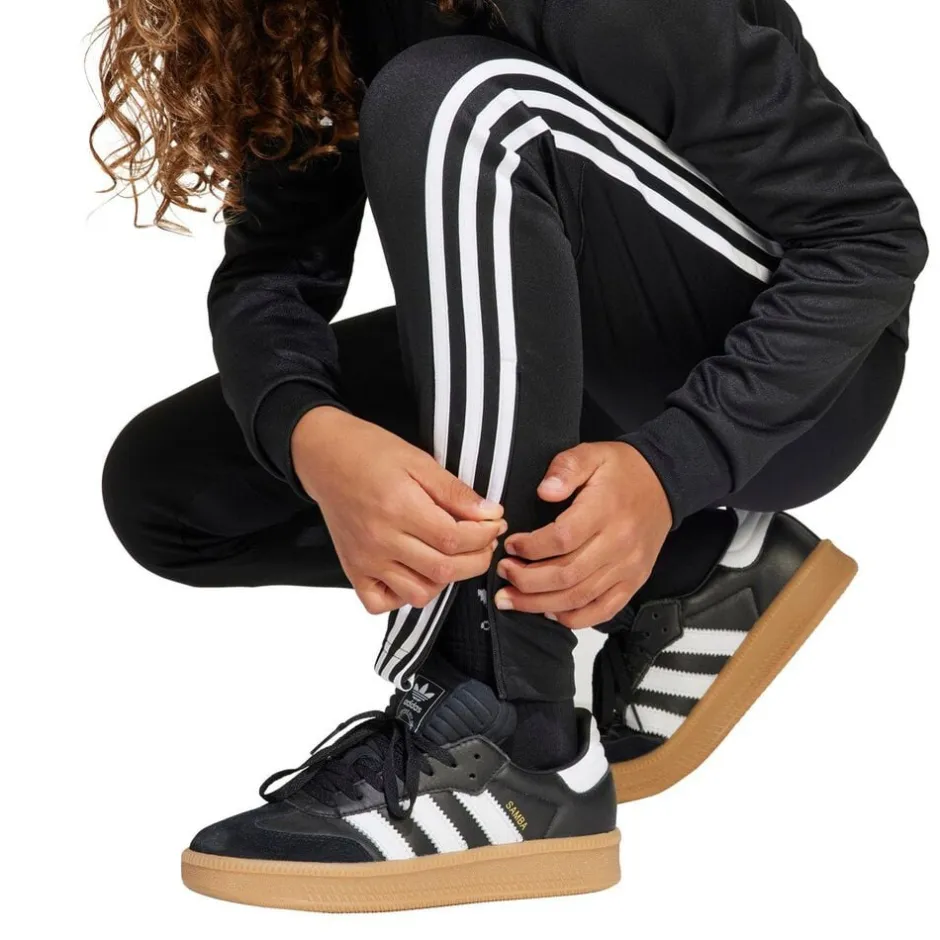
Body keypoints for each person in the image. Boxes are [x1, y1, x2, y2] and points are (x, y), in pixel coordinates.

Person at [94, 0, 927, 912]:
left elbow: (869, 236)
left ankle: (512, 731)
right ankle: (691, 574)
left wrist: (675, 465)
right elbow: (269, 274)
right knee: (168, 489)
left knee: (455, 99)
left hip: (798, 376)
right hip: (561, 344)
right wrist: (311, 435)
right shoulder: (306, 14)